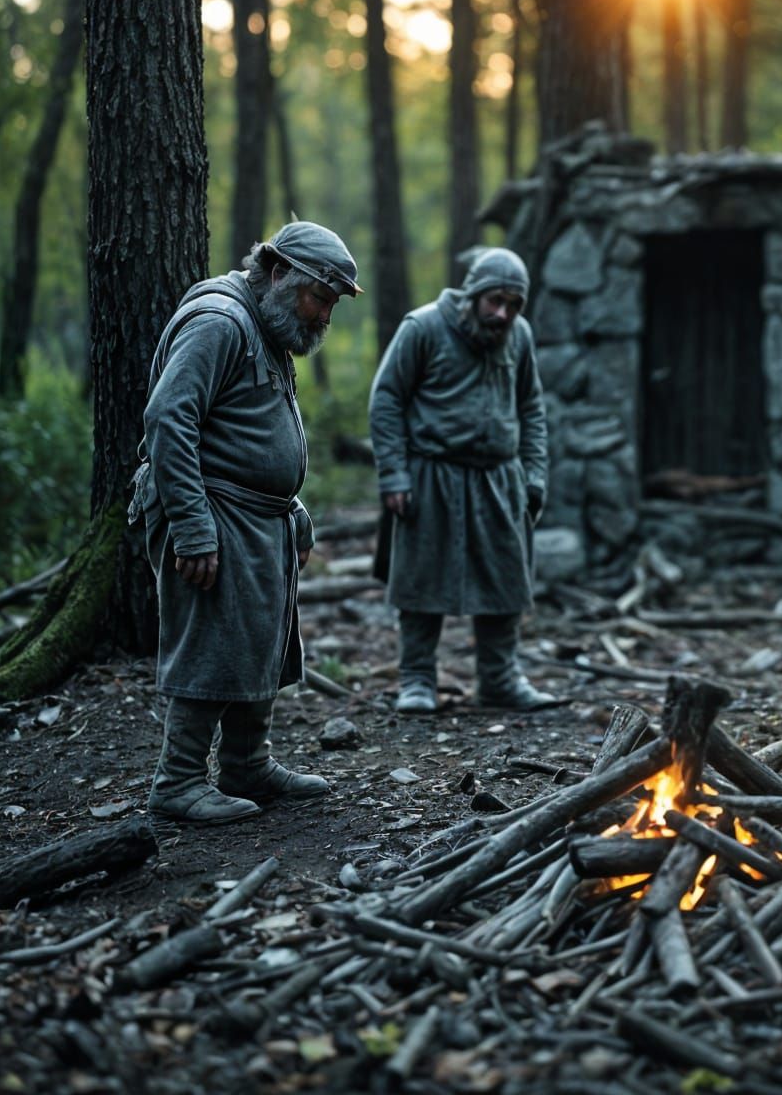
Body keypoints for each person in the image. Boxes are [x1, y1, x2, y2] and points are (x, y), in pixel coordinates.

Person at [132, 221, 361, 824]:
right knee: (211, 640)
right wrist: (193, 526)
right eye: (320, 297)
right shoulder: (221, 322)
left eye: (332, 305)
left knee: (258, 635)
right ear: (279, 270)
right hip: (211, 508)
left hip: (254, 516)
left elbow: (252, 430)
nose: (323, 316)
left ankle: (246, 765)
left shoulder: (266, 326)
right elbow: (169, 420)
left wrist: (294, 508)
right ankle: (178, 781)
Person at [368, 247, 554, 713]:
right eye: (494, 300)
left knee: (505, 580)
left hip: (499, 477)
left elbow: (531, 408)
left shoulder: (519, 336)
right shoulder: (423, 327)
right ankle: (416, 680)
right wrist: (393, 473)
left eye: (513, 304)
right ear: (473, 293)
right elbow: (386, 399)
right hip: (431, 474)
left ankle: (499, 680)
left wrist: (534, 474)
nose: (502, 313)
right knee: (421, 579)